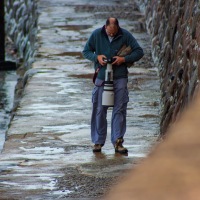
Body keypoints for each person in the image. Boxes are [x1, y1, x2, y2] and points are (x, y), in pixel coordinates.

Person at [82, 17, 144, 154]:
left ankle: (118, 142)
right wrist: (96, 57)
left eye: (114, 33)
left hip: (120, 76)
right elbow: (86, 51)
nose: (111, 34)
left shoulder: (125, 35)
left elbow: (139, 51)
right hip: (101, 76)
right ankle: (98, 142)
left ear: (118, 28)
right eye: (109, 32)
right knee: (99, 110)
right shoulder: (96, 34)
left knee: (119, 109)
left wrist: (124, 59)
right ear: (105, 27)